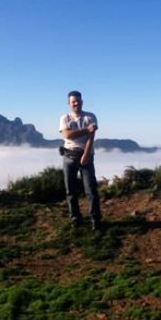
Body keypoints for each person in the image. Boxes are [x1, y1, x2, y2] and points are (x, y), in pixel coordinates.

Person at [59, 90, 102, 230]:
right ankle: (75, 218)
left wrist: (86, 154)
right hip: (68, 156)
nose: (76, 103)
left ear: (82, 101)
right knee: (70, 191)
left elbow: (91, 137)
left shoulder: (90, 116)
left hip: (86, 156)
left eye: (78, 101)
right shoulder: (64, 118)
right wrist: (86, 129)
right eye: (73, 101)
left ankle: (95, 219)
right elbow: (67, 135)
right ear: (69, 103)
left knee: (91, 189)